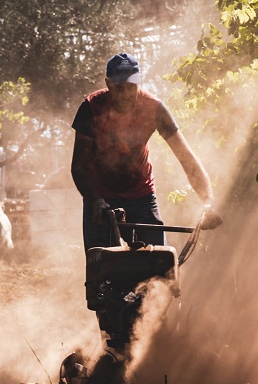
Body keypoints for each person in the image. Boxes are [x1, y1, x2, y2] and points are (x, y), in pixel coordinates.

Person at [70, 52, 222, 251]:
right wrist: (97, 202)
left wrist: (207, 202)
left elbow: (186, 158)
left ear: (139, 83)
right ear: (108, 84)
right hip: (100, 197)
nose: (126, 95)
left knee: (159, 264)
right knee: (100, 267)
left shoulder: (154, 109)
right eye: (119, 88)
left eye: (131, 87)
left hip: (140, 196)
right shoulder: (90, 108)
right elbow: (78, 168)